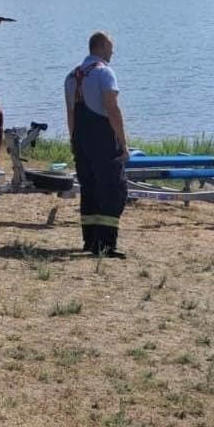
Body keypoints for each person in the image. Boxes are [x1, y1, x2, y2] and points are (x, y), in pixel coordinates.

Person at [64, 31, 129, 258]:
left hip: (81, 138)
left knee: (89, 189)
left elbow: (70, 113)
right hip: (102, 139)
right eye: (110, 47)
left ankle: (90, 240)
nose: (113, 51)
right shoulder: (104, 73)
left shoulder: (71, 76)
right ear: (100, 47)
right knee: (114, 190)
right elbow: (112, 110)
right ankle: (107, 244)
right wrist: (123, 141)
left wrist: (73, 140)